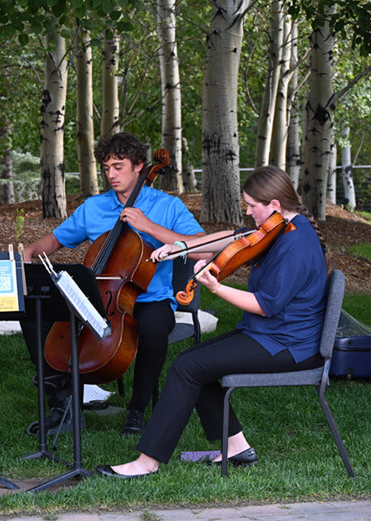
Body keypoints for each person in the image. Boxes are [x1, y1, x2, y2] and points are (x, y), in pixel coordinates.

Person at [96, 165, 329, 478]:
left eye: (251, 206)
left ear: (274, 205)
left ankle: (147, 462)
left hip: (288, 345)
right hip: (271, 334)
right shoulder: (281, 227)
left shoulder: (296, 246)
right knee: (192, 362)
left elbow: (264, 306)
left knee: (188, 367)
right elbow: (236, 237)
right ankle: (236, 448)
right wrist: (182, 247)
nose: (247, 212)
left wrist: (217, 288)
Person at [21, 132, 206, 436]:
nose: (111, 175)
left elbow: (201, 246)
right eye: (106, 168)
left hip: (150, 298)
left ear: (139, 167)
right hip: (99, 296)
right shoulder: (94, 207)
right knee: (34, 312)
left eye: (118, 166)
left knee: (154, 328)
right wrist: (28, 253)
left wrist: (148, 227)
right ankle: (62, 403)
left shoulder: (167, 206)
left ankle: (137, 409)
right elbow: (55, 240)